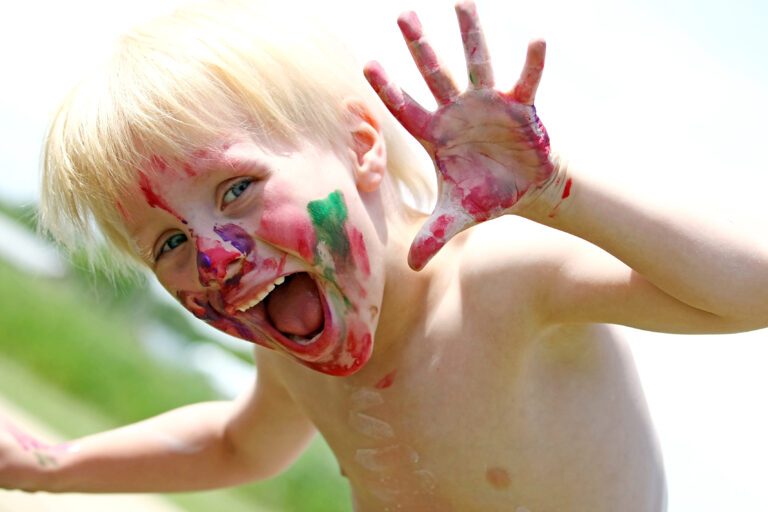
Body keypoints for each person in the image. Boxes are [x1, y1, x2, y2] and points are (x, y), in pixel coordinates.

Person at [2, 0, 767, 510]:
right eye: (168, 243)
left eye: (237, 188)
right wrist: (50, 467)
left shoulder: (498, 279)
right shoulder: (296, 345)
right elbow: (239, 442)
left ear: (362, 146)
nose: (215, 257)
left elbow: (753, 288)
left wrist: (558, 189)